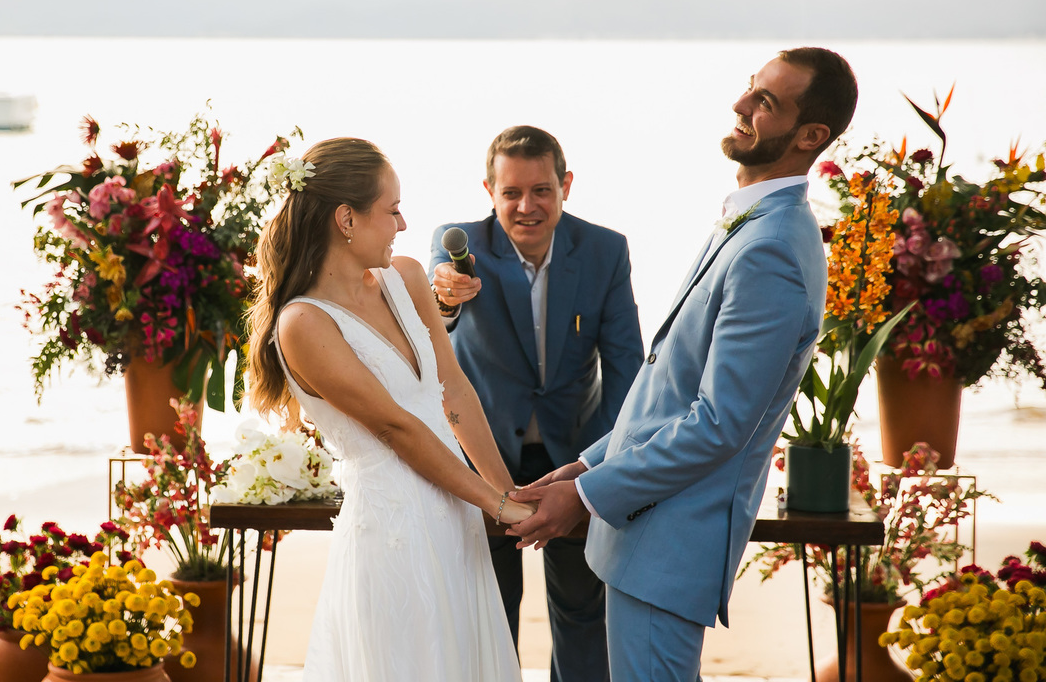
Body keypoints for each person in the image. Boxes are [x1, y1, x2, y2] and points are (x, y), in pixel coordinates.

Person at [507, 48, 858, 681]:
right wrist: (589, 460)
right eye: (751, 89)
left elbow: (719, 424)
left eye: (766, 102)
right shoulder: (752, 222)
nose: (741, 105)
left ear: (811, 136)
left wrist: (586, 496)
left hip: (667, 543)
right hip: (645, 533)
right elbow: (670, 387)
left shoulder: (772, 247)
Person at [246, 137, 531, 682]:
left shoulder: (406, 278)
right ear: (346, 219)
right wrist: (495, 504)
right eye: (392, 210)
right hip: (391, 534)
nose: (403, 225)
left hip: (456, 521)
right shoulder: (304, 324)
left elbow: (454, 392)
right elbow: (397, 428)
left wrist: (507, 493)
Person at [429, 125, 644, 682]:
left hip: (575, 458)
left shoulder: (605, 250)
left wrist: (602, 465)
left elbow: (627, 369)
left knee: (581, 609)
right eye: (511, 193)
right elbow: (439, 311)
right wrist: (445, 297)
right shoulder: (459, 246)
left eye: (542, 190)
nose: (527, 206)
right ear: (489, 190)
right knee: (489, 612)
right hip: (482, 462)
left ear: (565, 185)